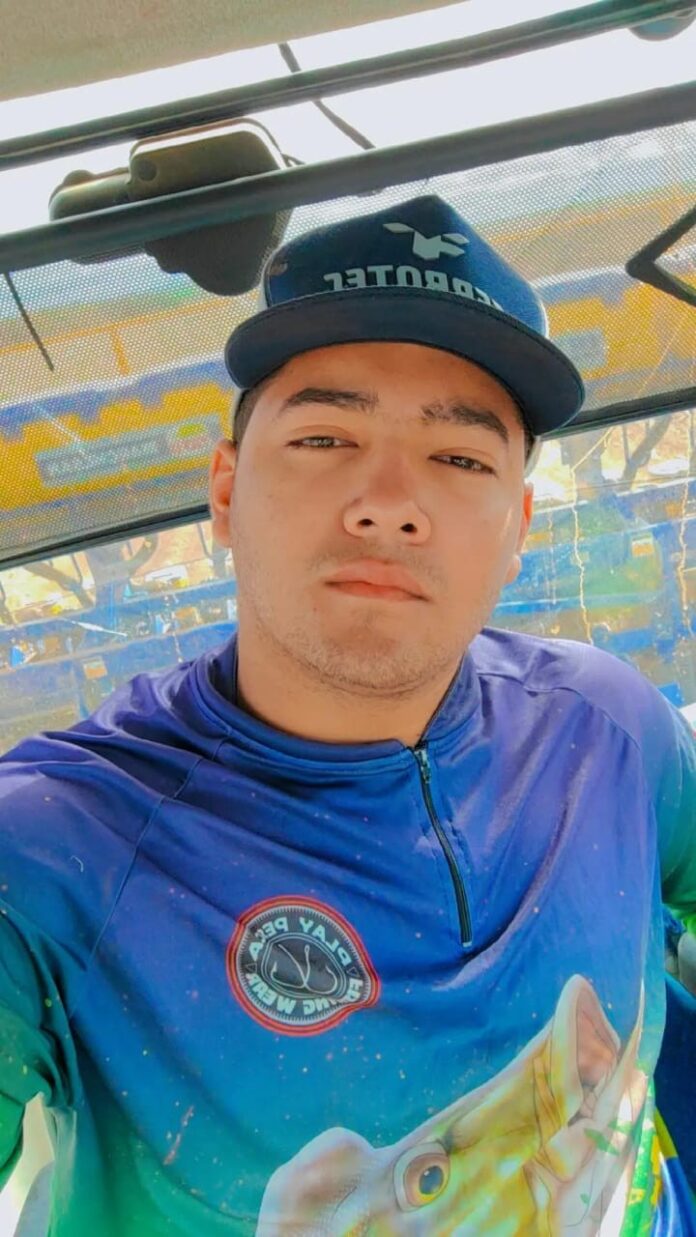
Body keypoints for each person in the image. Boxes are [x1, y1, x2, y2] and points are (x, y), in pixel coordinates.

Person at [0, 193, 694, 1237]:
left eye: (460, 458)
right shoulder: (54, 848)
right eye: (325, 437)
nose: (388, 502)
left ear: (518, 526)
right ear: (224, 493)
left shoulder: (610, 727)